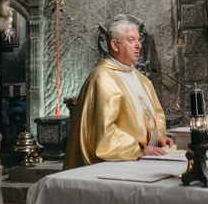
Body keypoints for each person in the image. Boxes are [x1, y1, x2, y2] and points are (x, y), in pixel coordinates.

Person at [63, 18, 174, 169]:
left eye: (138, 40)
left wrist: (158, 136)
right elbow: (104, 133)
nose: (138, 45)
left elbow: (157, 114)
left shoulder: (142, 80)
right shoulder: (103, 78)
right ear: (115, 45)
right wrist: (139, 149)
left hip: (145, 160)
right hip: (115, 165)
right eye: (131, 40)